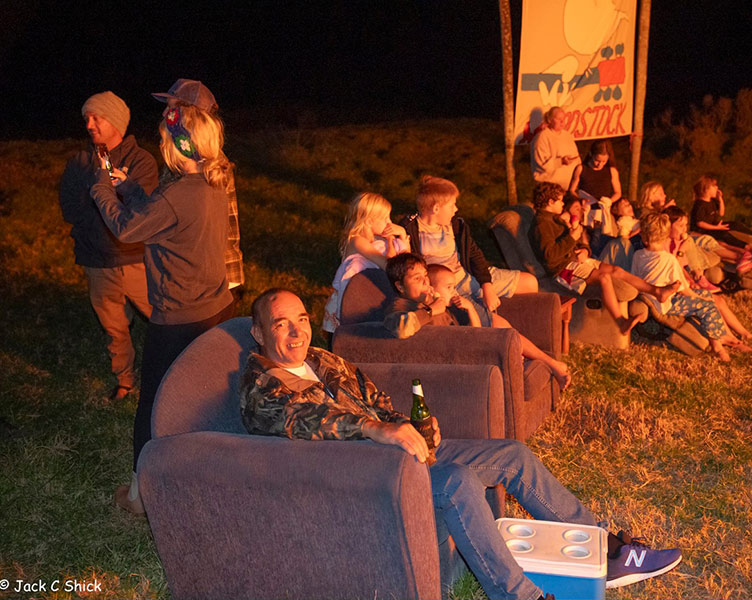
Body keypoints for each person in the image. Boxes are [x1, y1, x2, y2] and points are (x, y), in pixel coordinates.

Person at [240, 288, 683, 599]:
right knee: (455, 480)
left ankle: (604, 550)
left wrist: (411, 424)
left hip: (400, 450)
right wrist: (376, 430)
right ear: (259, 334)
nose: (298, 332)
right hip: (363, 474)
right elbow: (300, 418)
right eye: (282, 324)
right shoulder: (261, 385)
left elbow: (376, 401)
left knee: (511, 454)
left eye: (301, 320)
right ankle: (521, 597)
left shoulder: (323, 359)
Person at [91, 88, 236, 514]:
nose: (161, 143)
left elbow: (128, 229)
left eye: (165, 138)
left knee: (153, 403)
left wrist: (102, 187)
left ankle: (141, 494)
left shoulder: (179, 193)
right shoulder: (208, 184)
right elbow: (161, 218)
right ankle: (210, 474)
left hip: (179, 318)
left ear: (180, 145)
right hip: (216, 309)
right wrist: (130, 187)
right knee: (207, 396)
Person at [59, 91, 158, 402]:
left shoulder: (140, 161)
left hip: (134, 257)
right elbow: (70, 208)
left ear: (116, 121)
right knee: (113, 326)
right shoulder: (80, 162)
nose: (89, 124)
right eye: (86, 117)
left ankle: (170, 373)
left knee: (161, 316)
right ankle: (125, 380)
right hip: (97, 258)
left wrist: (104, 200)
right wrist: (103, 208)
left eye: (96, 117)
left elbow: (141, 210)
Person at [383, 254, 571, 389]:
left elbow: (475, 336)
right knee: (503, 338)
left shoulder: (438, 304)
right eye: (418, 279)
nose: (426, 283)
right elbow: (401, 328)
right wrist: (432, 310)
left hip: (472, 350)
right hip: (455, 366)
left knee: (504, 333)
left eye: (425, 277)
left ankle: (543, 363)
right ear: (400, 286)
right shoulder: (401, 305)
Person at [529, 182, 680, 335]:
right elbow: (549, 256)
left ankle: (657, 292)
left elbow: (576, 244)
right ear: (550, 202)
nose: (563, 203)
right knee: (604, 278)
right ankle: (620, 322)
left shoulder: (555, 220)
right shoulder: (542, 225)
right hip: (562, 269)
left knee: (616, 270)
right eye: (560, 200)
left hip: (575, 259)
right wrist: (571, 238)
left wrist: (584, 250)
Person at [152, 78, 245, 303]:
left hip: (213, 276)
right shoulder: (185, 159)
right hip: (201, 275)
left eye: (172, 108)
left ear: (191, 116)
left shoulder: (209, 165)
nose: (166, 114)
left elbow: (216, 229)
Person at [401, 176, 538, 327]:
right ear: (436, 208)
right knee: (497, 324)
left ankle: (525, 325)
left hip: (470, 276)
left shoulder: (454, 224)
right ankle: (496, 324)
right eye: (452, 205)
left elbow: (474, 254)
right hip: (451, 288)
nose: (456, 209)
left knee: (530, 282)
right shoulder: (410, 229)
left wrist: (487, 286)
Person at [632, 213, 752, 362]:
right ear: (665, 237)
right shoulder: (669, 259)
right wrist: (698, 297)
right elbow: (684, 290)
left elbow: (635, 279)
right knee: (706, 305)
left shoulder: (637, 255)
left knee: (708, 297)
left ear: (644, 237)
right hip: (666, 303)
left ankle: (726, 336)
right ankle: (717, 347)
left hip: (651, 298)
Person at [322, 192, 409, 333]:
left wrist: (403, 236)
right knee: (342, 341)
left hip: (366, 297)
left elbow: (407, 262)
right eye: (385, 218)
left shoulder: (378, 240)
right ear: (368, 221)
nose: (390, 222)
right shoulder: (357, 241)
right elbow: (391, 265)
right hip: (349, 301)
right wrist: (392, 241)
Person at [690, 175, 752, 268]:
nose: (717, 188)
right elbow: (699, 223)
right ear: (706, 190)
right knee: (724, 234)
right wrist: (717, 228)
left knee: (735, 224)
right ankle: (749, 248)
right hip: (702, 231)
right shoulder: (699, 205)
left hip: (714, 225)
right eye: (714, 186)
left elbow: (721, 213)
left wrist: (720, 199)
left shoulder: (712, 201)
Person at [530, 107, 580, 191]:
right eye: (559, 119)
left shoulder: (567, 136)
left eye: (563, 119)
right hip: (549, 188)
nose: (562, 122)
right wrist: (560, 161)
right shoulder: (541, 138)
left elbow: (577, 159)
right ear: (549, 120)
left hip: (569, 187)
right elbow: (540, 165)